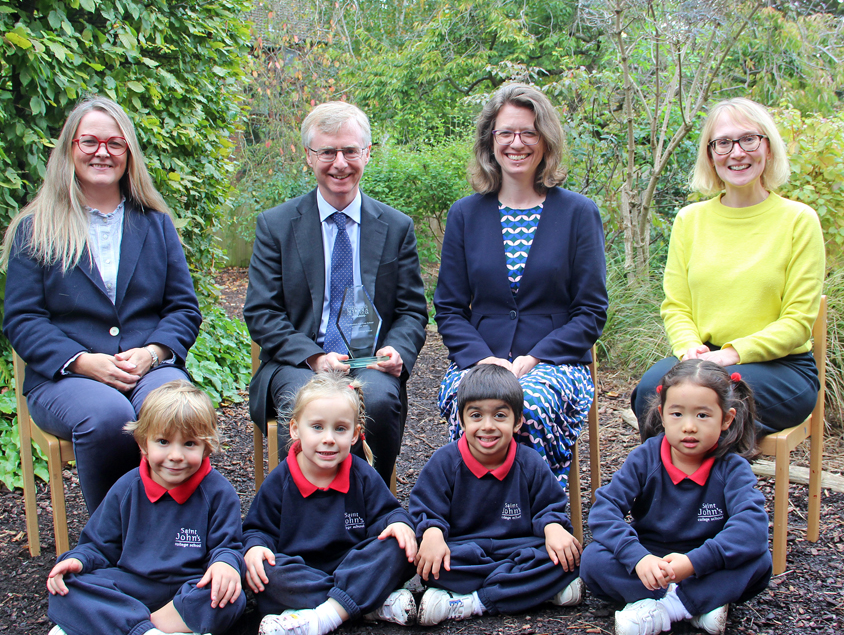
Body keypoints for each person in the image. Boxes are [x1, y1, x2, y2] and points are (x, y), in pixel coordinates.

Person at [2, 97, 202, 513]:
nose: (102, 152)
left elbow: (183, 308)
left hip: (146, 368)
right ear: (70, 148)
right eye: (90, 141)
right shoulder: (35, 228)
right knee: (109, 417)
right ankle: (114, 546)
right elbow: (23, 319)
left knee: (177, 411)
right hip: (66, 378)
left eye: (115, 143)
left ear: (128, 153)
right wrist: (82, 361)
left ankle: (183, 538)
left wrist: (152, 353)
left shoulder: (154, 222)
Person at [244, 101, 428, 486]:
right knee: (308, 407)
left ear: (367, 153)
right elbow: (262, 312)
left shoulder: (396, 227)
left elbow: (411, 310)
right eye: (327, 152)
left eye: (349, 150)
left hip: (369, 362)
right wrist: (313, 357)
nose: (339, 162)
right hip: (298, 362)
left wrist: (398, 349)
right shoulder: (276, 226)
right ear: (309, 157)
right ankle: (300, 517)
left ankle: (367, 510)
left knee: (375, 401)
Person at [433, 84, 608, 489]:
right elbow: (449, 309)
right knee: (476, 403)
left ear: (545, 141)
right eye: (506, 133)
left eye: (529, 133)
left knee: (528, 405)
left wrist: (537, 357)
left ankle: (536, 524)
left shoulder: (578, 213)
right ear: (490, 141)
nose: (517, 143)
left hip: (556, 363)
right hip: (479, 360)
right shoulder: (465, 214)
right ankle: (472, 520)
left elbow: (591, 311)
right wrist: (480, 359)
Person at [632, 97, 825, 435]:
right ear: (710, 154)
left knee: (716, 401)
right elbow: (676, 306)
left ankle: (710, 486)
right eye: (723, 143)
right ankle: (672, 485)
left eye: (748, 139)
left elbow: (797, 322)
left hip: (780, 369)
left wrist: (730, 356)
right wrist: (689, 349)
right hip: (703, 360)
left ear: (768, 147)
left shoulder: (799, 221)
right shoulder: (690, 220)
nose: (737, 152)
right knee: (651, 391)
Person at [44, 381, 246, 635]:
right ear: (143, 443)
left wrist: (226, 565)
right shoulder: (126, 488)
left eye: (189, 443)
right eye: (163, 442)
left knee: (229, 598)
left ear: (207, 445)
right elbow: (98, 546)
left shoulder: (218, 492)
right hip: (132, 586)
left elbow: (228, 546)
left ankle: (109, 634)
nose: (176, 455)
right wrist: (79, 560)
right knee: (65, 586)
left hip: (187, 589)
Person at [581, 360, 772, 635]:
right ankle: (698, 605)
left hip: (705, 563)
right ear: (662, 415)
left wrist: (694, 562)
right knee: (593, 559)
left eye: (703, 415)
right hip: (652, 559)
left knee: (758, 561)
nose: (689, 427)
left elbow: (752, 528)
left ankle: (663, 609)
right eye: (677, 414)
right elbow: (605, 510)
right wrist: (638, 557)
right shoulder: (645, 457)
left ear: (727, 419)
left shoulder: (732, 468)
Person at [243, 373, 418, 635]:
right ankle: (365, 602)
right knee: (263, 572)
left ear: (355, 435)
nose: (328, 439)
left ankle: (321, 616)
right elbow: (256, 529)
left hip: (353, 562)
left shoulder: (361, 475)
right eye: (317, 427)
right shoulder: (280, 481)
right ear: (295, 429)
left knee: (402, 545)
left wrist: (399, 523)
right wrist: (255, 547)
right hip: (301, 571)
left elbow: (388, 513)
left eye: (339, 429)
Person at [409, 365, 584, 626]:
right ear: (461, 420)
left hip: (518, 549)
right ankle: (527, 590)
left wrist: (553, 527)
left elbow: (550, 506)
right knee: (432, 563)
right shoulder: (444, 462)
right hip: (465, 552)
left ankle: (472, 601)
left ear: (517, 422)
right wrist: (432, 534)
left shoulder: (529, 461)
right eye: (476, 415)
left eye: (500, 415)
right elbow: (425, 508)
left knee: (565, 560)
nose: (487, 426)